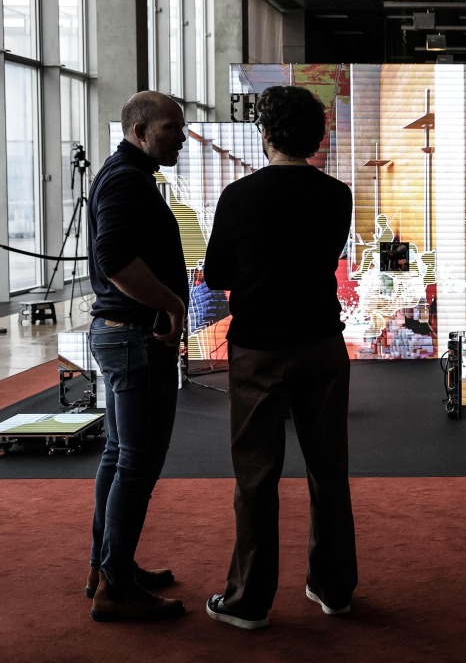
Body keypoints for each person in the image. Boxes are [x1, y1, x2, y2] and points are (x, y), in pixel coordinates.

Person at [202, 85, 357, 630]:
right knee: (328, 469)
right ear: (317, 137)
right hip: (320, 340)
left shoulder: (238, 196)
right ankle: (334, 587)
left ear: (263, 133)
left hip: (259, 348)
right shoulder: (338, 196)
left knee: (255, 474)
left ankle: (248, 600)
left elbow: (217, 274)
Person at [85, 90, 188, 622]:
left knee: (118, 457)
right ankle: (115, 585)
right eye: (170, 127)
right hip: (135, 337)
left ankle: (109, 567)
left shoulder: (123, 175)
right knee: (135, 463)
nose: (181, 136)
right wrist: (172, 305)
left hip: (122, 334)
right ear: (138, 128)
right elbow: (117, 259)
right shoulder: (126, 180)